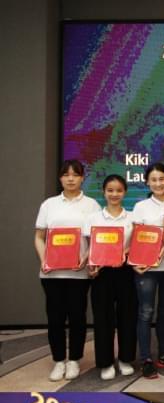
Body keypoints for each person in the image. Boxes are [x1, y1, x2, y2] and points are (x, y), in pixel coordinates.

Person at [34, 159, 100, 381]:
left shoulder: (91, 205)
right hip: (51, 273)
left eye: (75, 174)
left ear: (82, 178)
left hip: (79, 273)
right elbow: (39, 237)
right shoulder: (49, 205)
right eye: (66, 174)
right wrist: (44, 260)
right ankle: (58, 361)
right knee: (55, 318)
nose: (70, 179)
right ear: (60, 178)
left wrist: (86, 257)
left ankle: (74, 360)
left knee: (77, 317)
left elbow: (96, 239)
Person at [85, 174, 136, 381]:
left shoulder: (132, 218)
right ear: (103, 192)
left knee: (127, 317)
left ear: (125, 192)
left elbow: (137, 244)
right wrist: (91, 267)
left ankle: (125, 359)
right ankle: (105, 363)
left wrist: (124, 252)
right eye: (110, 190)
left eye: (119, 190)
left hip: (126, 271)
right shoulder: (94, 218)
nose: (114, 194)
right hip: (102, 273)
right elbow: (90, 248)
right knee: (103, 318)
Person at [131, 162, 164, 379]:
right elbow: (137, 238)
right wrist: (137, 262)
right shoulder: (141, 207)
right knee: (145, 312)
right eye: (153, 180)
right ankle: (146, 359)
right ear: (147, 182)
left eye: (162, 179)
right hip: (146, 268)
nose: (158, 183)